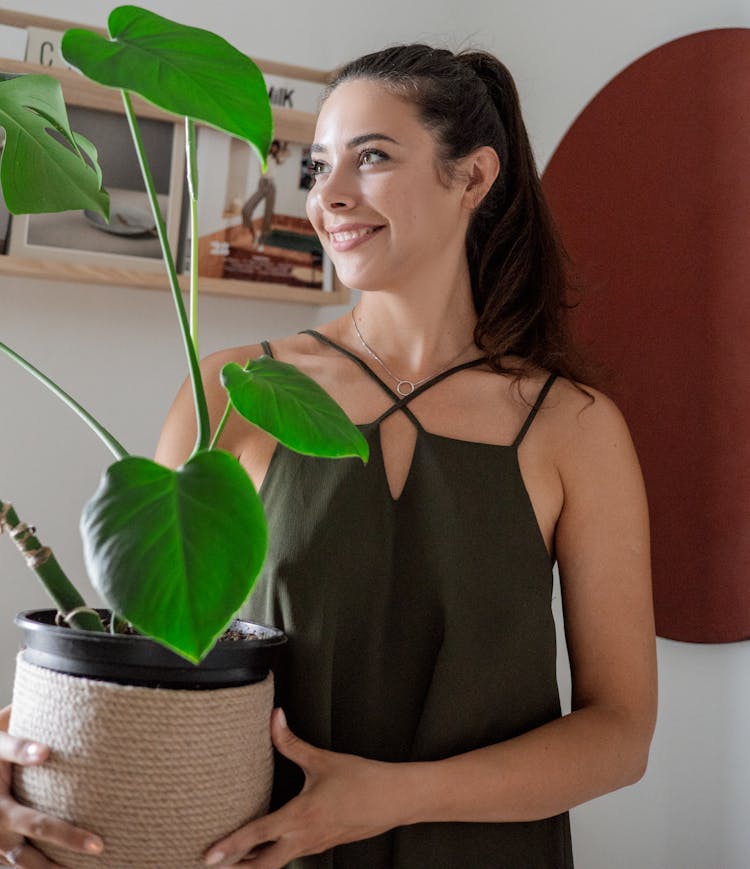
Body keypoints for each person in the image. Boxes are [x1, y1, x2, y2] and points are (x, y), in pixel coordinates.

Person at [0, 44, 657, 868]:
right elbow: (139, 671)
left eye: (371, 157)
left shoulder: (574, 426)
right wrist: (29, 768)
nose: (328, 196)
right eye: (316, 166)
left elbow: (620, 733)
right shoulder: (232, 389)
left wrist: (391, 798)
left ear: (473, 178)